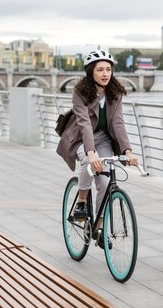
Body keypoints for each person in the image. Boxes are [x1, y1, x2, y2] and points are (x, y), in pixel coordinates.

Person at [56, 49, 138, 247]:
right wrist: (91, 153)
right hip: (79, 137)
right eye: (100, 69)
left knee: (104, 180)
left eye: (108, 69)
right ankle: (82, 201)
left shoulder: (115, 93)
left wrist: (128, 150)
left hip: (103, 139)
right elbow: (84, 123)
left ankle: (99, 227)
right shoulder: (80, 92)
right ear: (91, 72)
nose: (105, 74)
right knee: (88, 161)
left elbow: (118, 122)